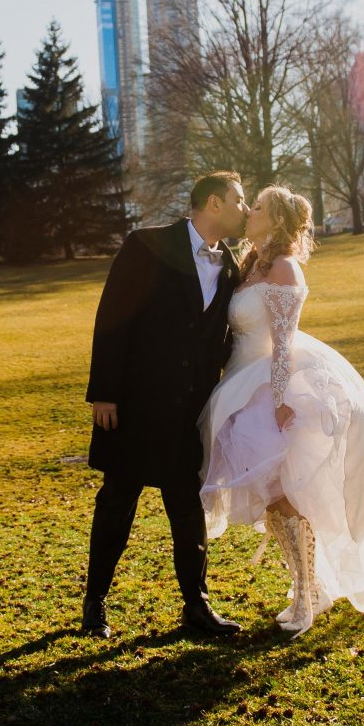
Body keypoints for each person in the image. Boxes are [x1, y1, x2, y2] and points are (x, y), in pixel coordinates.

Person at [199, 186, 364, 633]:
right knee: (273, 499)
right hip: (240, 383)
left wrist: (278, 401)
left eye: (256, 208)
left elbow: (284, 344)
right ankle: (304, 582)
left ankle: (309, 592)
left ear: (273, 221)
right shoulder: (251, 264)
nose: (248, 213)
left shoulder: (284, 268)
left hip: (272, 388)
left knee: (283, 494)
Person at [80, 171, 249, 639]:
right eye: (239, 200)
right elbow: (112, 316)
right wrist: (105, 392)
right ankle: (95, 602)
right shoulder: (146, 245)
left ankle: (196, 604)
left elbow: (220, 337)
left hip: (189, 410)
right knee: (117, 502)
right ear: (213, 204)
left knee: (187, 507)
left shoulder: (232, 267)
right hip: (133, 404)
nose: (245, 209)